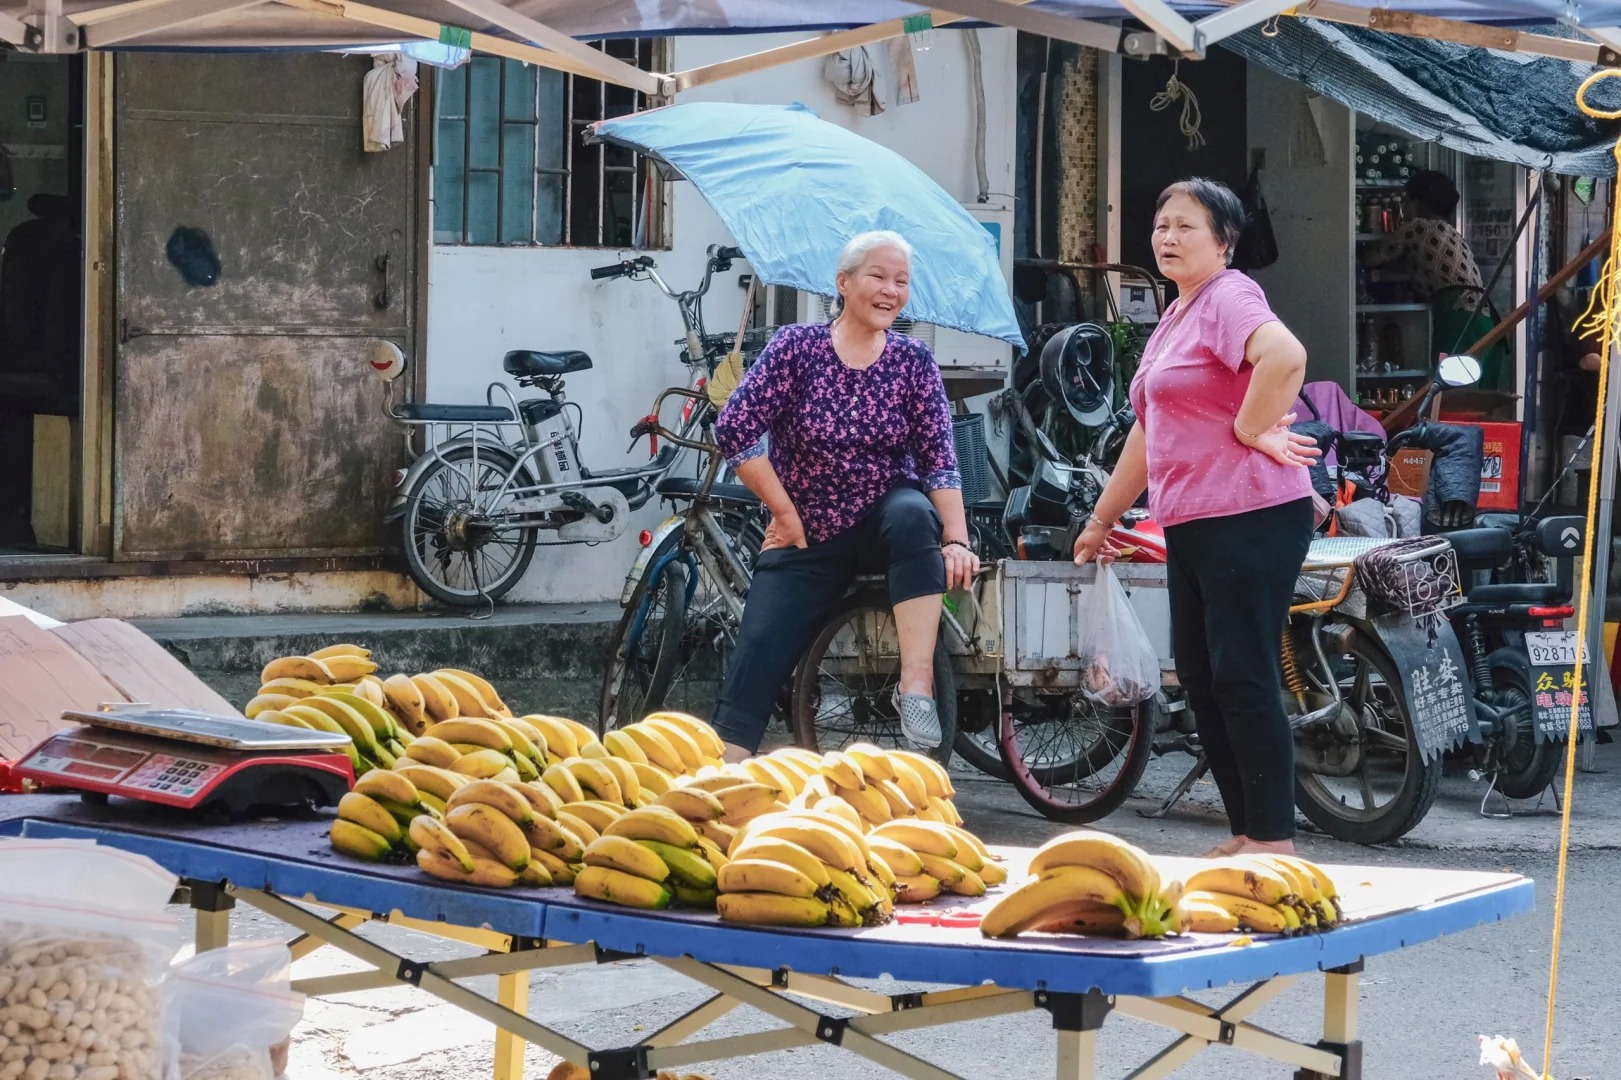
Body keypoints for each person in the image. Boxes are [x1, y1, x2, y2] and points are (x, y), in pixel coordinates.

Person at [1072, 178, 1321, 857]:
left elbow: (1286, 355)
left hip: (1252, 512)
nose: (1167, 237)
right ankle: (1245, 830)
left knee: (1241, 670)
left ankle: (1273, 839)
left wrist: (1248, 426)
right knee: (1202, 676)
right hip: (1189, 519)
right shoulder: (1176, 317)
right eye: (1161, 226)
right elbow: (1147, 433)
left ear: (1223, 242)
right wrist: (1100, 520)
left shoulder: (1229, 295)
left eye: (1186, 226)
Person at [710, 231, 980, 762]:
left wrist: (956, 538)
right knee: (760, 642)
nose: (890, 290)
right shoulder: (797, 347)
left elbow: (938, 459)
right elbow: (735, 427)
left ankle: (916, 687)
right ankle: (724, 773)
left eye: (901, 281)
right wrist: (783, 513)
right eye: (878, 276)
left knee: (910, 512)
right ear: (844, 282)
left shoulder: (913, 361)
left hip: (887, 522)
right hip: (807, 529)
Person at [1362, 170, 1510, 388]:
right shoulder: (1449, 232)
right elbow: (1413, 270)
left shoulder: (1417, 226)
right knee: (1480, 396)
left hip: (1458, 316)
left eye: (1406, 200)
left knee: (1450, 388)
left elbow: (1373, 258)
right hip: (1483, 316)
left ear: (1416, 201)